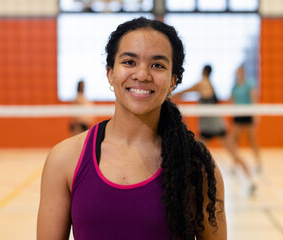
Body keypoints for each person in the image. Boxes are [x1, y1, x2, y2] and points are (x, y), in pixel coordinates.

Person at [37, 17, 226, 240]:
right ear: (110, 73)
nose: (142, 75)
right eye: (129, 62)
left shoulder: (196, 165)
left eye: (157, 65)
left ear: (173, 81)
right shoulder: (65, 159)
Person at [173, 65, 255, 193]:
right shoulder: (208, 84)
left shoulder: (203, 83)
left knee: (194, 154)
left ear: (203, 72)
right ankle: (251, 180)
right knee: (230, 153)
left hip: (213, 125)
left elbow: (185, 91)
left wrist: (169, 95)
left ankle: (251, 180)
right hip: (214, 124)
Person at [231, 64, 262, 174]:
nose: (239, 74)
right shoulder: (234, 86)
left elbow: (254, 99)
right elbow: (233, 101)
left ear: (243, 72)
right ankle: (235, 164)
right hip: (238, 114)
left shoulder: (250, 84)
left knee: (252, 140)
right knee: (234, 140)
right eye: (238, 72)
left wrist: (255, 115)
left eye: (241, 72)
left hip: (248, 113)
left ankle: (258, 163)